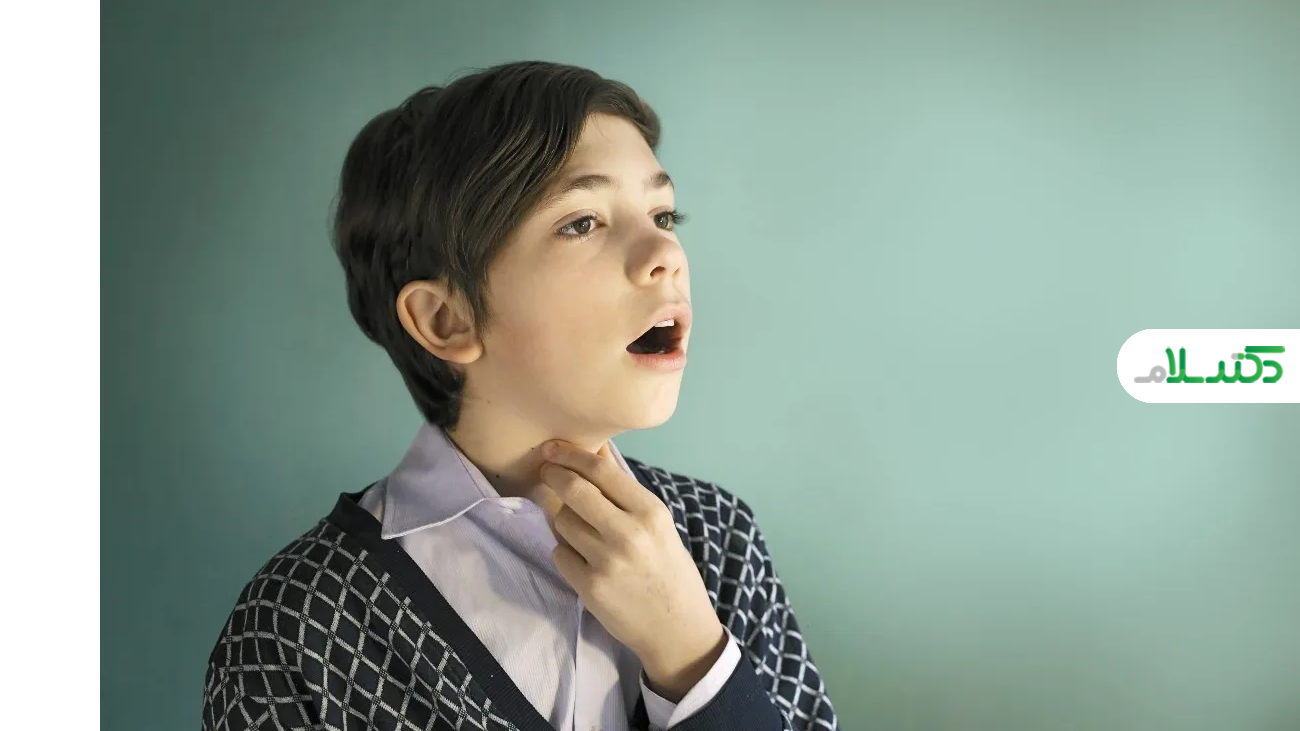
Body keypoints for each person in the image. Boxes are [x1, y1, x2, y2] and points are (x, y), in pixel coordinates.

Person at [201, 60, 838, 731]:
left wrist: (691, 656)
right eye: (583, 222)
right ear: (447, 320)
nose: (665, 253)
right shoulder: (299, 627)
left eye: (662, 213)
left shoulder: (720, 538)